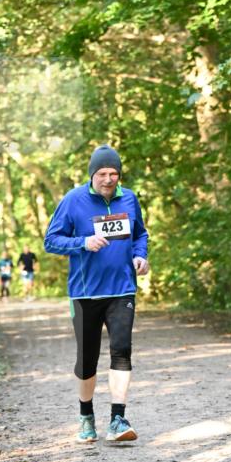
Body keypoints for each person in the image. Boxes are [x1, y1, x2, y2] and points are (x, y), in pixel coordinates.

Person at [44, 145, 149, 444]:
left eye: (113, 173)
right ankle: (86, 416)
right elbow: (51, 241)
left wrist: (140, 256)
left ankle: (118, 418)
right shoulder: (73, 200)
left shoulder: (129, 198)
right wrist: (83, 242)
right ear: (92, 174)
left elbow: (140, 233)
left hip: (122, 288)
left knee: (121, 349)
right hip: (85, 292)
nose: (108, 179)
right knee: (87, 358)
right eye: (102, 174)